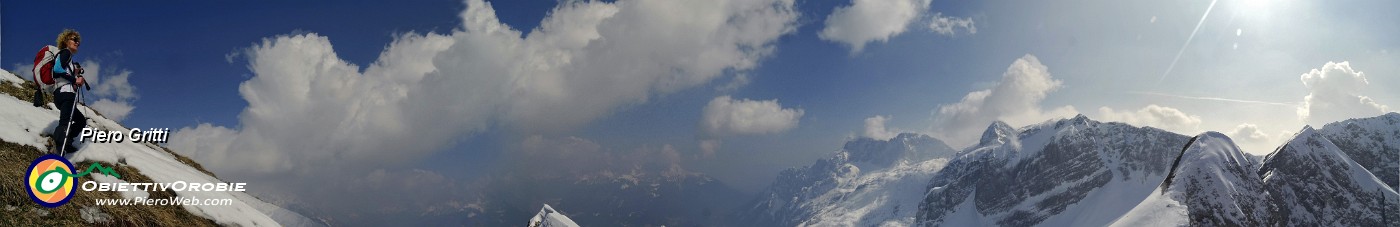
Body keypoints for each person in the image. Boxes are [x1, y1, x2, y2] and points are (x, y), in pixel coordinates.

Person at [51, 29, 87, 155]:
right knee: (65, 122)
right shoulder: (65, 52)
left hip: (62, 93)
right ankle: (58, 150)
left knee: (81, 121)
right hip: (65, 93)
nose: (77, 43)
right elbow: (56, 70)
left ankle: (67, 143)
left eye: (78, 41)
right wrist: (74, 79)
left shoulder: (67, 57)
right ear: (66, 41)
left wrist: (74, 73)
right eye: (74, 40)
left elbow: (61, 71)